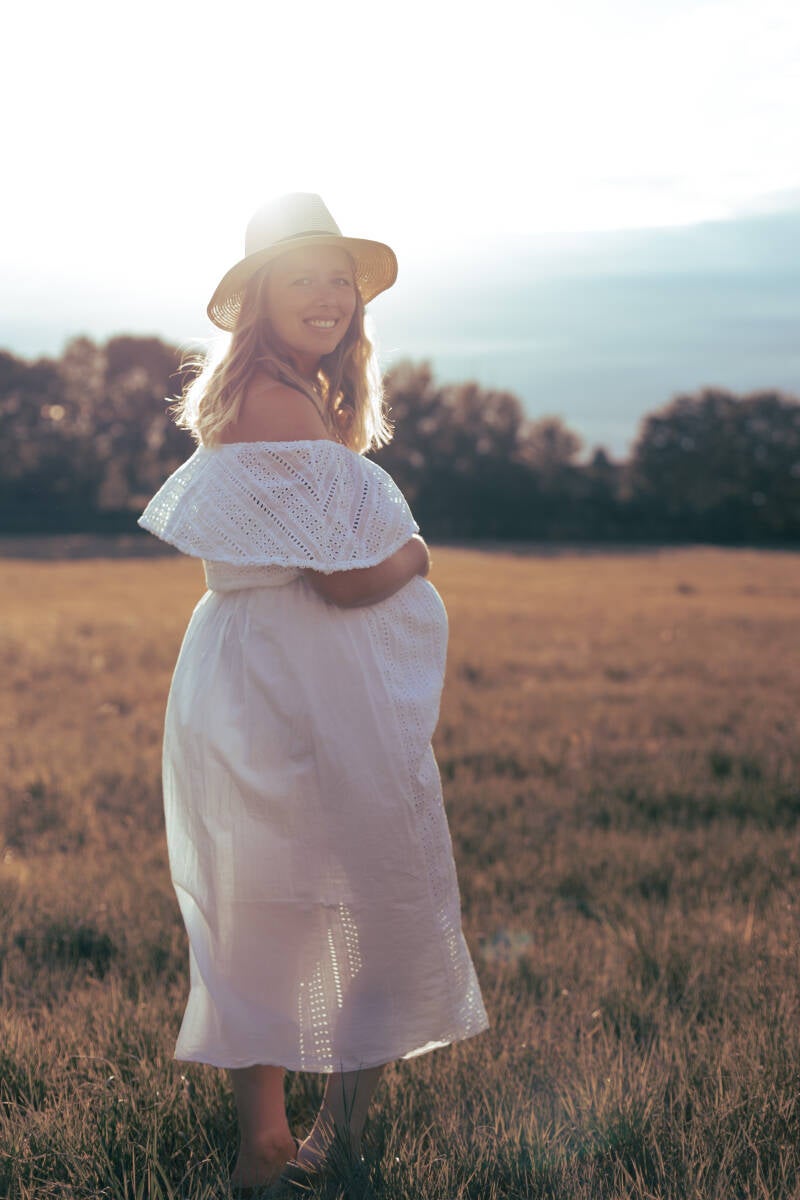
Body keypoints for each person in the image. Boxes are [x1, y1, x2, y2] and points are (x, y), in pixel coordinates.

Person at [137, 192, 490, 1196]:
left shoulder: (289, 397)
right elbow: (344, 580)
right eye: (304, 278)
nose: (329, 296)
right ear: (260, 297)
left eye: (340, 279)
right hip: (293, 683)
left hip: (269, 673)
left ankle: (295, 1141)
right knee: (361, 893)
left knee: (276, 901)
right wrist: (414, 555)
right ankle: (312, 1140)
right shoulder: (280, 403)